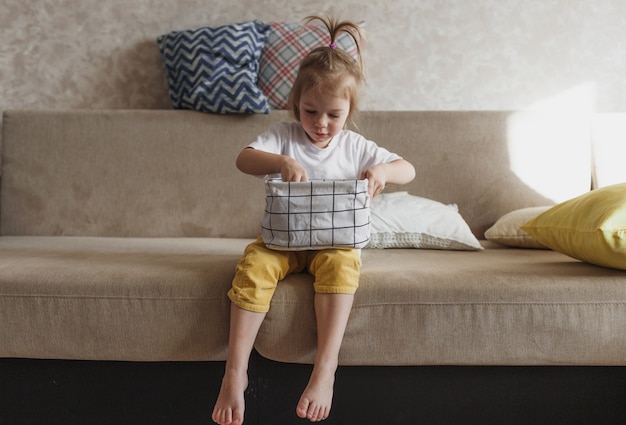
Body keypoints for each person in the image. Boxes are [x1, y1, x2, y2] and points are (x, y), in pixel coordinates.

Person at [212, 14, 415, 425]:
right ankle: (235, 371)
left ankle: (325, 369)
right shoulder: (283, 136)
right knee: (253, 267)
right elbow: (242, 159)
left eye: (333, 115)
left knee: (343, 265)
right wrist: (281, 160)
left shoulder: (355, 145)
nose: (321, 124)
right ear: (295, 105)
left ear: (349, 112)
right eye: (310, 111)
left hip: (335, 242)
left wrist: (382, 172)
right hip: (281, 241)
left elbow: (407, 169)